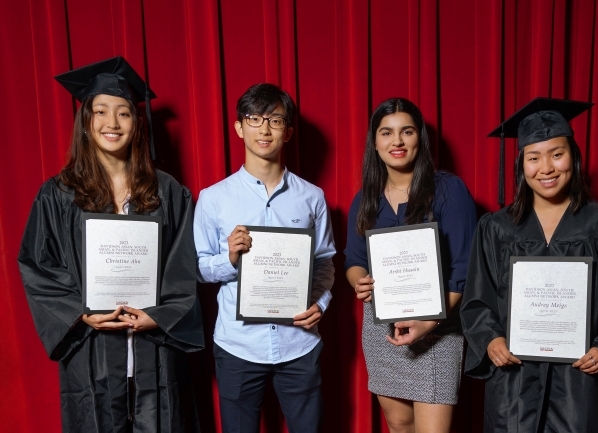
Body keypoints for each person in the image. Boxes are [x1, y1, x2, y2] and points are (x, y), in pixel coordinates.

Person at [17, 57, 204, 433]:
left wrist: (163, 315)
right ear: (86, 123)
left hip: (155, 347)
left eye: (124, 113)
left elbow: (184, 262)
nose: (112, 123)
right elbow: (38, 264)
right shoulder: (58, 194)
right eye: (101, 111)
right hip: (93, 347)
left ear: (137, 125)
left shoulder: (167, 191)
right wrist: (79, 312)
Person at [460, 97, 598, 432]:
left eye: (557, 154)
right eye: (534, 158)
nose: (546, 168)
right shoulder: (496, 228)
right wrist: (490, 339)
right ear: (521, 165)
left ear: (573, 158)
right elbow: (478, 298)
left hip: (582, 384)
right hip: (514, 385)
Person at [193, 83, 335, 433]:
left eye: (274, 119)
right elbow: (198, 267)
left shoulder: (312, 198)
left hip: (298, 342)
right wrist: (229, 258)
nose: (265, 129)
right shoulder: (213, 199)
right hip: (238, 343)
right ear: (240, 128)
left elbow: (325, 262)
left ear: (288, 132)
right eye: (254, 119)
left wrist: (321, 303)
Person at [344, 98, 477, 433]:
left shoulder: (449, 190)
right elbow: (354, 261)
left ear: (420, 138)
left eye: (407, 131)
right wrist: (358, 282)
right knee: (399, 425)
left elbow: (463, 268)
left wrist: (428, 322)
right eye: (386, 133)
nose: (397, 141)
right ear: (375, 142)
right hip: (383, 329)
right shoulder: (364, 199)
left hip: (439, 328)